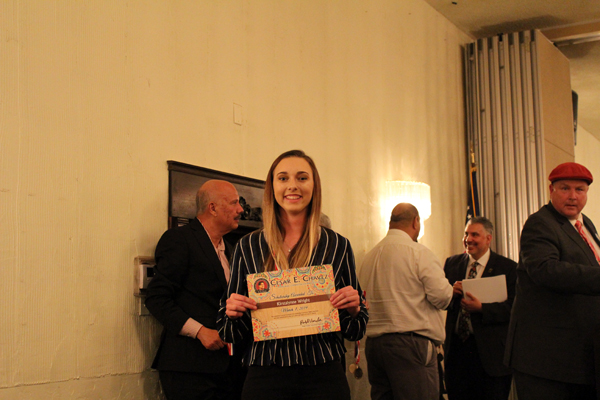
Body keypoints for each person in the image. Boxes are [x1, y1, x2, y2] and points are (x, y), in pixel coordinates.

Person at [217, 149, 368, 400]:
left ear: (314, 186)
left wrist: (354, 309)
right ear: (272, 187)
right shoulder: (248, 246)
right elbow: (229, 332)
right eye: (283, 178)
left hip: (324, 373)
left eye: (302, 178)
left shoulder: (337, 245)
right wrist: (232, 313)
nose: (292, 186)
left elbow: (355, 330)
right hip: (266, 373)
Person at [505, 162, 600, 400]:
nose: (572, 196)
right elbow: (546, 270)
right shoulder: (540, 223)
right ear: (551, 190)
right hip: (547, 359)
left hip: (580, 355)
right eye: (565, 188)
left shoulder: (585, 223)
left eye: (579, 189)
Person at [145, 180, 246, 400]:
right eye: (234, 203)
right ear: (213, 208)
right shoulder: (179, 239)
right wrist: (200, 331)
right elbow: (156, 298)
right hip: (189, 368)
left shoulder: (231, 249)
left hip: (228, 369)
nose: (240, 210)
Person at [358, 203, 453, 400]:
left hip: (375, 346)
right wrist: (452, 289)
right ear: (416, 222)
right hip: (411, 345)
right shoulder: (419, 252)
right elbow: (442, 297)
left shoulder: (369, 257)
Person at [443, 217, 517, 400]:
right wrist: (450, 293)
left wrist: (482, 308)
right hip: (457, 352)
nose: (468, 239)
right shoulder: (451, 264)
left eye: (474, 235)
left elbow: (514, 309)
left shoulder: (508, 268)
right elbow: (440, 302)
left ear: (488, 238)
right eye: (466, 234)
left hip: (491, 356)